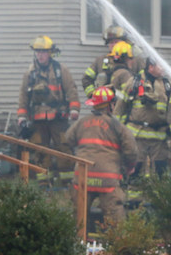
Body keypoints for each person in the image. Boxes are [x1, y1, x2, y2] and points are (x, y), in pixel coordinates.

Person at [62, 86, 138, 227]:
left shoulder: (81, 122)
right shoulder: (117, 126)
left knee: (78, 218)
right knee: (116, 219)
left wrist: (77, 155)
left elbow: (67, 140)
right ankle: (120, 244)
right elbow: (131, 150)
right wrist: (129, 167)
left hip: (83, 176)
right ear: (110, 105)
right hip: (108, 179)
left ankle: (76, 243)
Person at [17, 36, 80, 182]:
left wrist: (74, 109)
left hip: (58, 117)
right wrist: (21, 116)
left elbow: (71, 90)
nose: (40, 55)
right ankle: (44, 183)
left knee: (64, 148)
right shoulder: (30, 73)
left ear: (50, 53)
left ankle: (67, 183)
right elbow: (23, 96)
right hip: (38, 119)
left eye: (44, 52)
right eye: (38, 52)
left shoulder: (60, 70)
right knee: (40, 150)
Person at [115, 57, 171, 178]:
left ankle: (158, 196)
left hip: (160, 137)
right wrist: (115, 131)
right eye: (160, 66)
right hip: (138, 135)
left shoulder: (168, 85)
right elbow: (120, 107)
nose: (163, 68)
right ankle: (135, 197)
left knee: (161, 171)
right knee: (135, 169)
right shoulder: (134, 83)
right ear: (151, 67)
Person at [82, 25, 139, 98]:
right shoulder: (100, 60)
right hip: (104, 105)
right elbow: (86, 79)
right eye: (111, 42)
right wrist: (93, 94)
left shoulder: (135, 60)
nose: (113, 45)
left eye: (116, 42)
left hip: (125, 104)